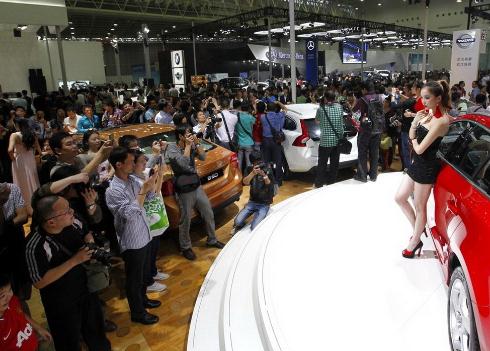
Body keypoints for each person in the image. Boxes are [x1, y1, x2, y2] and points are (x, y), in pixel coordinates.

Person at [25, 195, 111, 350]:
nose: (72, 212)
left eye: (70, 207)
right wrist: (75, 260)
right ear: (51, 222)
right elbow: (39, 282)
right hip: (60, 301)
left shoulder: (74, 220)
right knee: (68, 340)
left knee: (96, 331)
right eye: (66, 211)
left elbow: (86, 231)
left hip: (85, 288)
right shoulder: (35, 245)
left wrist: (90, 244)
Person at [105, 147, 162, 325]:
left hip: (144, 233)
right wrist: (144, 191)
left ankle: (143, 301)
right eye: (130, 162)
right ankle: (137, 313)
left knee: (143, 274)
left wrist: (153, 181)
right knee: (134, 279)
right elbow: (129, 214)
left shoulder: (133, 181)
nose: (133, 164)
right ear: (118, 164)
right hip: (132, 240)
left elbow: (151, 198)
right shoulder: (113, 190)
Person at [394, 81, 451, 258]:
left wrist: (414, 135)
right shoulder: (427, 114)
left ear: (438, 98)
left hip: (426, 167)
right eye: (422, 97)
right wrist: (415, 123)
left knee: (420, 207)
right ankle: (417, 232)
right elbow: (412, 136)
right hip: (416, 163)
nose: (423, 101)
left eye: (427, 98)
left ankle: (414, 242)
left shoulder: (441, 121)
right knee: (400, 197)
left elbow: (419, 148)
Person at [166, 125, 225, 261]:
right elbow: (183, 163)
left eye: (190, 134)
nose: (190, 136)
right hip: (183, 188)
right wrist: (187, 146)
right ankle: (185, 247)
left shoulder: (192, 144)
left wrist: (197, 144)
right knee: (185, 219)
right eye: (187, 134)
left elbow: (203, 157)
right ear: (180, 136)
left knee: (208, 212)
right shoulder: (172, 148)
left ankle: (212, 239)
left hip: (196, 184)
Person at [132, 150, 171, 293]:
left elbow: (156, 191)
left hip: (154, 214)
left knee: (154, 248)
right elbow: (150, 194)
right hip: (145, 219)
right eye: (142, 161)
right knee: (147, 252)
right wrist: (155, 178)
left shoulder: (146, 172)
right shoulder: (132, 180)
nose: (145, 163)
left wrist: (159, 175)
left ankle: (153, 272)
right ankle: (148, 282)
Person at [0, 274, 52, 351]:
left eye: (10, 290)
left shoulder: (12, 301)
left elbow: (21, 313)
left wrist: (38, 327)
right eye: (2, 296)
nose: (9, 296)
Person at [230, 151, 275, 235]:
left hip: (264, 203)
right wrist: (252, 174)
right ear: (252, 163)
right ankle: (244, 220)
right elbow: (245, 182)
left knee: (254, 227)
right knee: (237, 222)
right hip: (252, 202)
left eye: (260, 161)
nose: (259, 164)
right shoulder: (249, 169)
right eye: (256, 163)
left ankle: (259, 217)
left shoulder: (268, 169)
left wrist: (264, 175)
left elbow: (269, 186)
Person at [352, 80, 384, 182]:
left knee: (362, 152)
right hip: (378, 129)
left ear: (364, 89)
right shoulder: (380, 97)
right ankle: (373, 176)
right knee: (375, 152)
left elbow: (354, 113)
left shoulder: (363, 99)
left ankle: (362, 176)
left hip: (366, 129)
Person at [8, 118, 41, 214]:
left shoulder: (14, 135)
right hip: (30, 159)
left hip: (20, 161)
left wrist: (13, 159)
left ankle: (25, 208)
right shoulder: (32, 134)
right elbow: (38, 148)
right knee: (33, 180)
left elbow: (10, 150)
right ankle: (36, 205)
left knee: (22, 183)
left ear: (17, 125)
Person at [314, 91, 344, 188]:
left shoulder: (321, 109)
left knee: (322, 165)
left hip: (325, 142)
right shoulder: (340, 108)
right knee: (334, 165)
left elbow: (317, 121)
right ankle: (331, 184)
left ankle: (319, 184)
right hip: (337, 141)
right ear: (334, 98)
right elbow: (341, 125)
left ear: (326, 98)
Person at [261, 101, 286, 185]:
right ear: (275, 108)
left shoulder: (263, 117)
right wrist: (279, 102)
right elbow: (285, 109)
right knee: (278, 161)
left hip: (266, 140)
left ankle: (268, 180)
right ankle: (278, 181)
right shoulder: (279, 115)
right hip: (276, 140)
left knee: (267, 161)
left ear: (267, 109)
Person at [234, 101, 255, 171]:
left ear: (241, 107)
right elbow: (252, 128)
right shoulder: (250, 117)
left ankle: (239, 177)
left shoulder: (236, 116)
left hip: (239, 142)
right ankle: (248, 179)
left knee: (239, 162)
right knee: (248, 162)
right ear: (249, 108)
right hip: (249, 142)